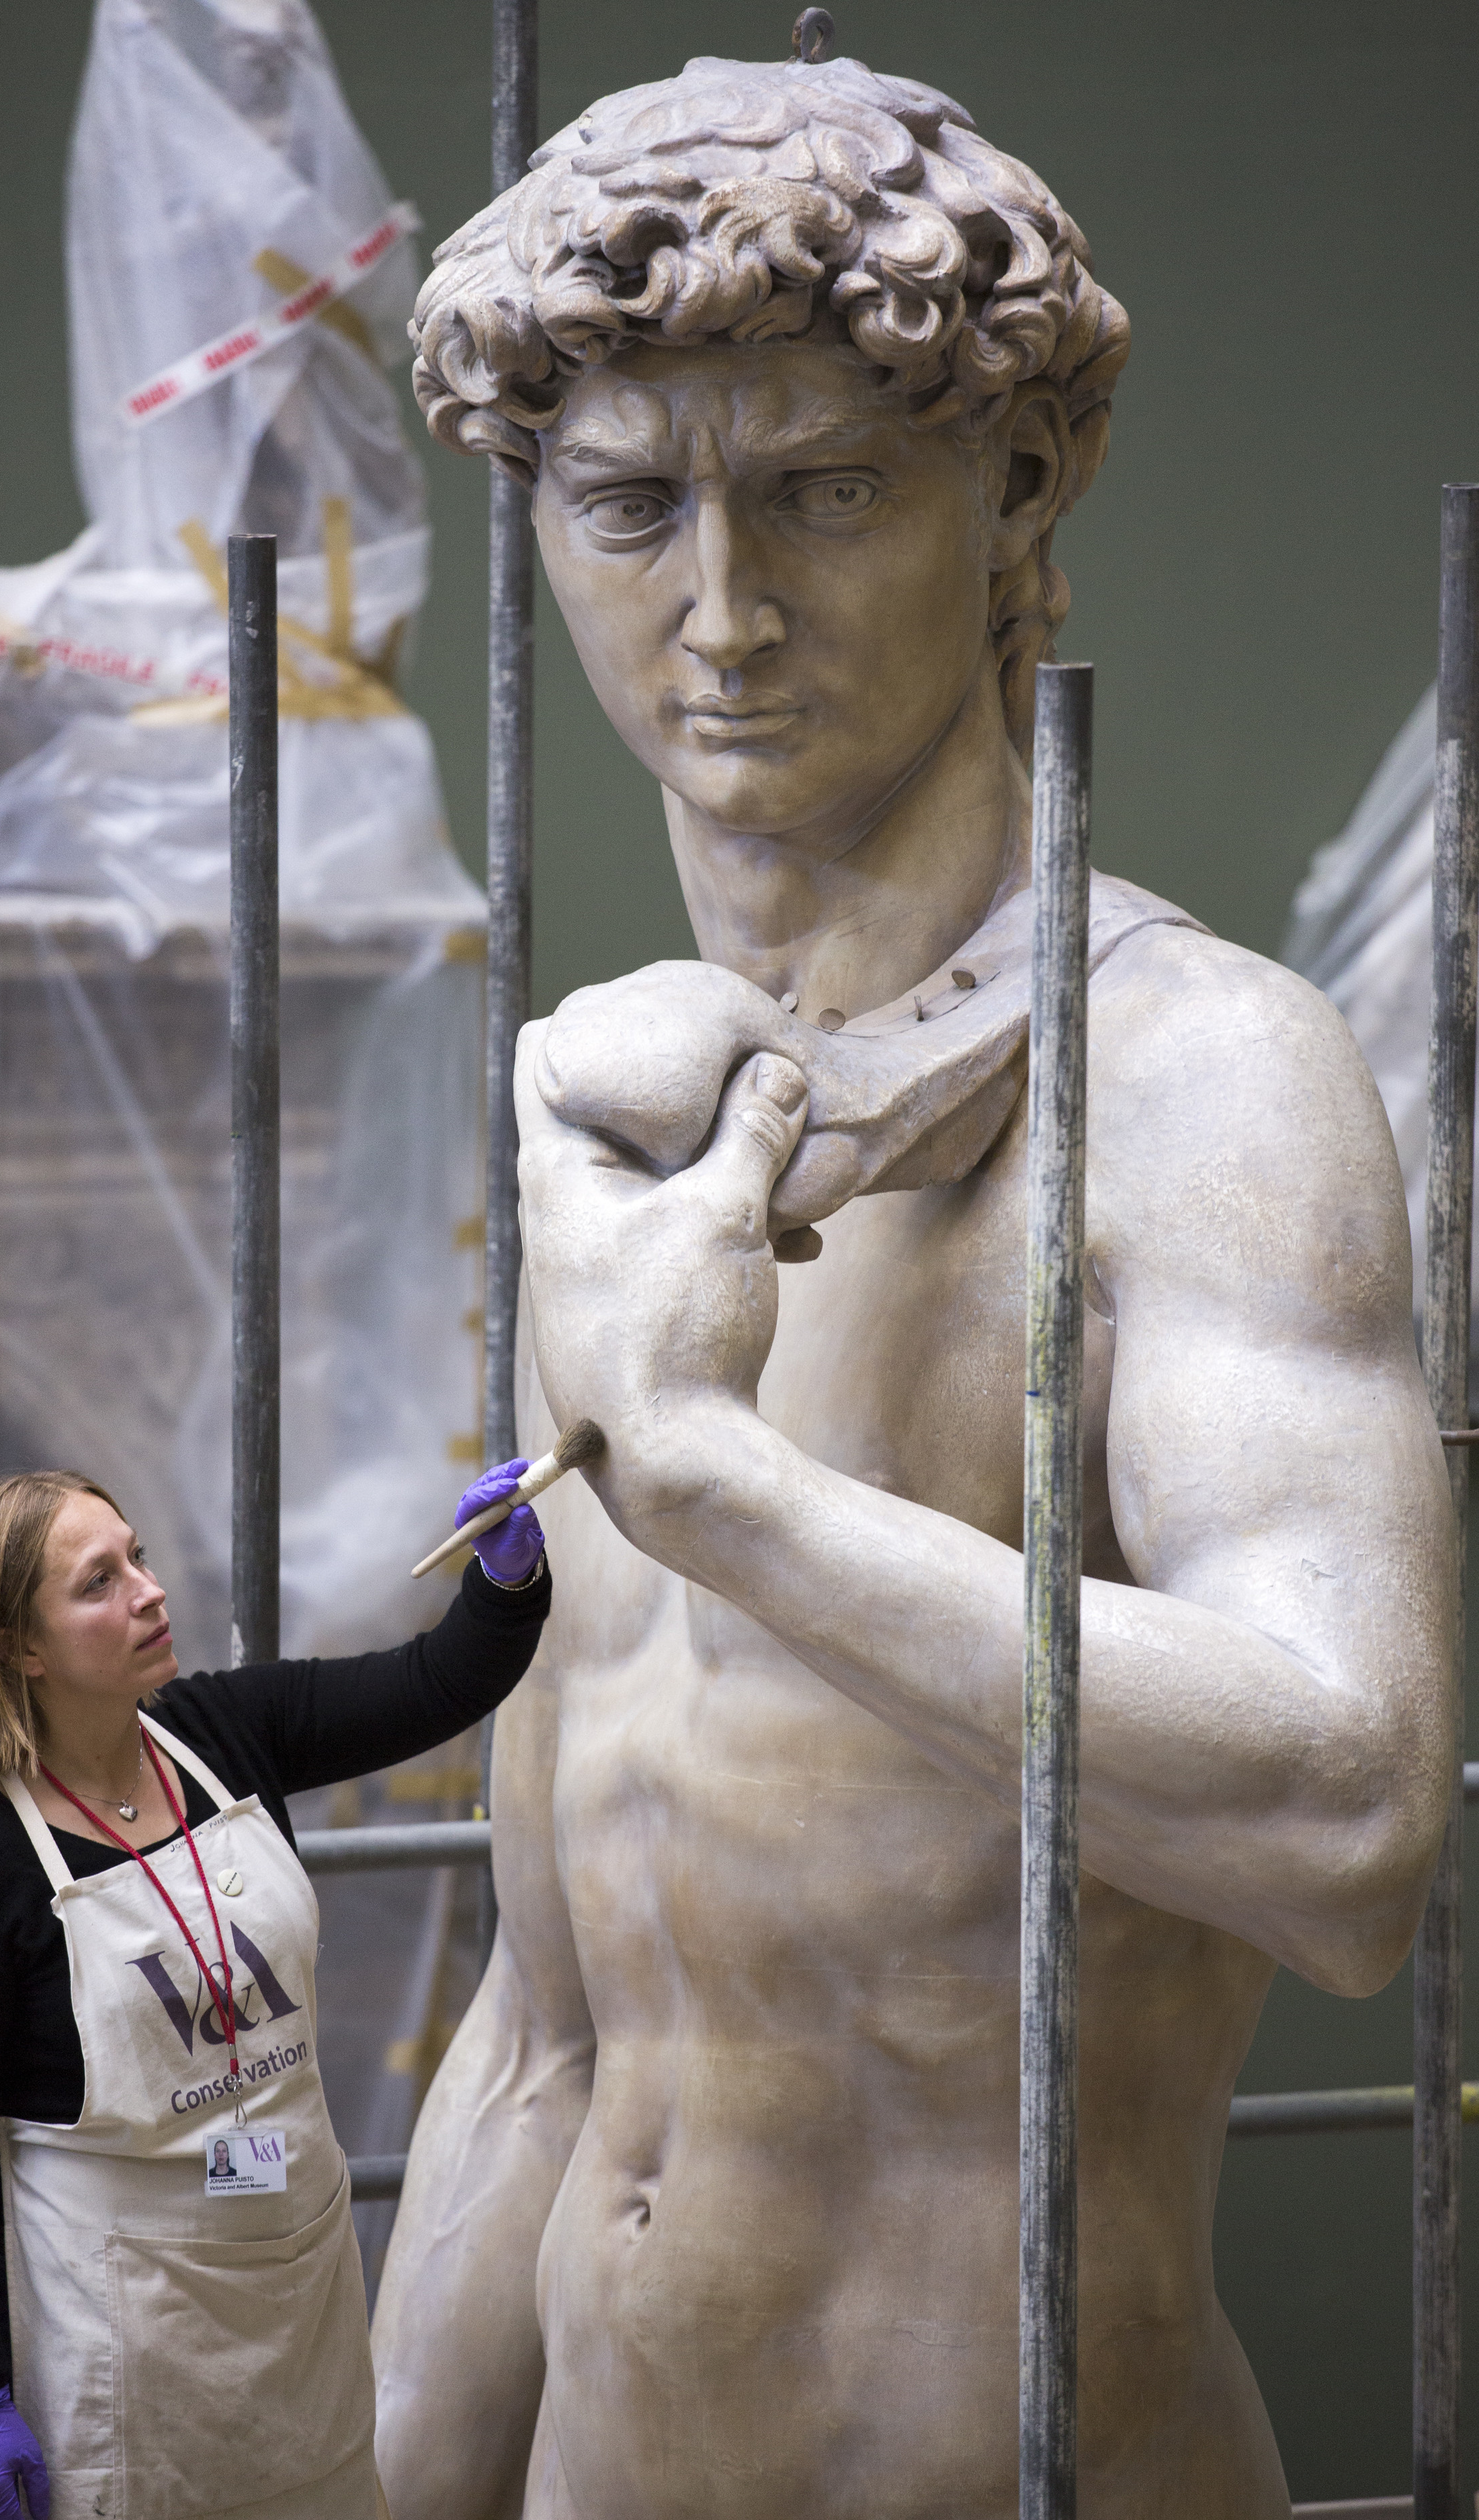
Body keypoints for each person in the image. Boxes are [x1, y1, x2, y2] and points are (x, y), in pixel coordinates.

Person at [371, 49, 1453, 2517]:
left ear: (1020, 487)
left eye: (826, 491)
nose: (719, 614)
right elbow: (552, 2057)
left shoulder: (1199, 1088)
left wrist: (720, 1487)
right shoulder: (624, 1123)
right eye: (627, 505)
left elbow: (1356, 1818)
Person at [0, 1460, 549, 2520]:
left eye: (137, 1555)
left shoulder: (222, 1733)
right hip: (123, 2342)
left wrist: (504, 1582)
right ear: (21, 1647)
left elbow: (439, 1681)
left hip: (300, 2306)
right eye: (98, 1582)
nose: (148, 1588)